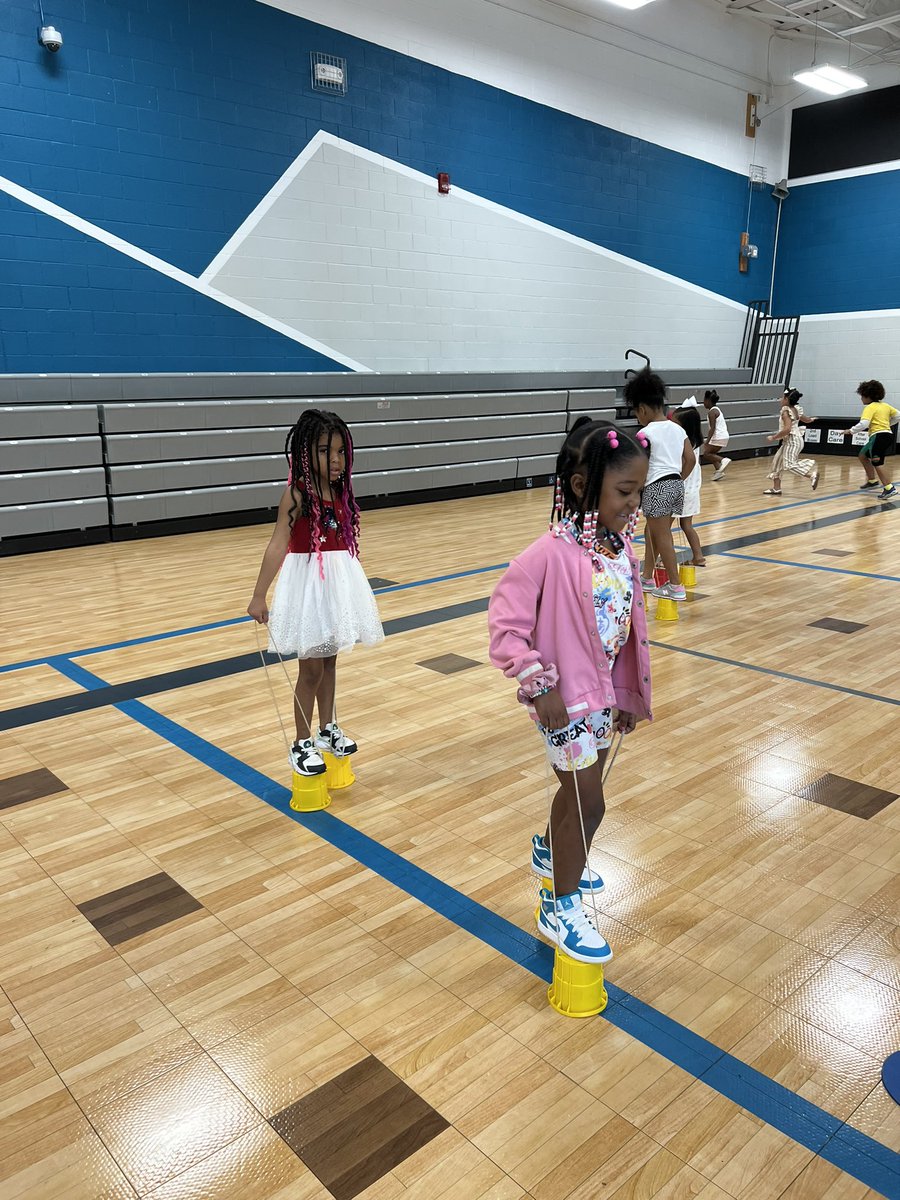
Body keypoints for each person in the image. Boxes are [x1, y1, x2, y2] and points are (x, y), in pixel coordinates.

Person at [489, 419, 651, 964]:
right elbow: (506, 627)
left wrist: (626, 695)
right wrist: (538, 686)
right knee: (589, 802)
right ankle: (559, 905)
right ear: (583, 486)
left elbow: (625, 628)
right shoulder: (546, 554)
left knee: (582, 794)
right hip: (562, 703)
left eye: (638, 491)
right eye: (624, 492)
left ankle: (552, 850)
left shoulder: (620, 548)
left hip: (602, 699)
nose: (634, 504)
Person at [247, 409, 384, 775]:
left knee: (330, 662)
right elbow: (278, 543)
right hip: (308, 588)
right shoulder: (296, 496)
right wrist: (259, 595)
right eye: (326, 451)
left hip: (336, 587)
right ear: (306, 453)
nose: (336, 460)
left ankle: (327, 728)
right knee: (309, 670)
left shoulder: (340, 492)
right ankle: (300, 742)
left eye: (341, 452)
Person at [629, 369, 694, 602]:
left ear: (642, 409)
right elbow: (690, 459)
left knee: (662, 536)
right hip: (676, 485)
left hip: (656, 487)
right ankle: (647, 577)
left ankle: (675, 585)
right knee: (653, 532)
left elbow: (639, 466)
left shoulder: (644, 433)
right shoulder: (678, 428)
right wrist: (676, 480)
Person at [843, 380, 899, 500]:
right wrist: (888, 424)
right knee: (863, 455)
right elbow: (898, 416)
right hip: (887, 435)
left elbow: (864, 423)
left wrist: (851, 431)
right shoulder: (885, 406)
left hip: (878, 436)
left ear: (868, 396)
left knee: (877, 462)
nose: (861, 398)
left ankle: (889, 488)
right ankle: (872, 481)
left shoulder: (870, 407)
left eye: (862, 396)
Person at [763, 388, 819, 496]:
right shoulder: (795, 409)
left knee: (789, 464)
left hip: (792, 441)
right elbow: (805, 419)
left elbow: (787, 429)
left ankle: (812, 475)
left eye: (782, 397)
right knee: (777, 462)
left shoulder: (786, 412)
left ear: (786, 399)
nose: (780, 399)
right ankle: (776, 488)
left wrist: (773, 437)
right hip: (792, 440)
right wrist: (811, 419)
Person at [672, 402, 705, 567]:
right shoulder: (694, 442)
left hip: (682, 489)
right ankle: (698, 557)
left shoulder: (683, 443)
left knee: (662, 528)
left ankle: (665, 560)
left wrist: (677, 481)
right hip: (691, 490)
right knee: (686, 525)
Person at [700, 390, 732, 480]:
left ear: (708, 401)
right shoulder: (717, 410)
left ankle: (723, 460)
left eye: (704, 400)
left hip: (719, 436)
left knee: (706, 454)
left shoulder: (711, 412)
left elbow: (712, 428)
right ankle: (719, 471)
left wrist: (707, 441)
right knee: (712, 454)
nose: (703, 403)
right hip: (723, 436)